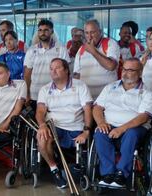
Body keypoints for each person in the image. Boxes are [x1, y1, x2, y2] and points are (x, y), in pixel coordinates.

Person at [93, 58, 152, 188]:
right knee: (99, 133)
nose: (125, 73)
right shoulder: (110, 87)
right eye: (124, 69)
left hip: (135, 127)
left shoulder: (147, 92)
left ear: (140, 72)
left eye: (131, 70)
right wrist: (101, 122)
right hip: (110, 125)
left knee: (132, 134)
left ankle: (121, 173)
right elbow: (97, 107)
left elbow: (143, 117)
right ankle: (108, 173)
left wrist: (121, 129)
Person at [36, 58, 93, 189]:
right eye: (51, 68)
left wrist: (86, 131)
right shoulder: (45, 89)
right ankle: (54, 169)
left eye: (57, 68)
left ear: (67, 70)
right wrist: (42, 125)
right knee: (42, 138)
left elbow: (87, 110)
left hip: (76, 127)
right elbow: (40, 111)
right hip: (54, 125)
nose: (53, 71)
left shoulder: (80, 86)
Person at [24, 19, 70, 110]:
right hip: (35, 95)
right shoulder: (31, 50)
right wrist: (27, 94)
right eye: (40, 30)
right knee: (37, 122)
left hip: (56, 94)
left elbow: (66, 73)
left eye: (46, 30)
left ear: (52, 31)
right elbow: (27, 74)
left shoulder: (61, 49)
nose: (42, 33)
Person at [73, 19, 120, 99]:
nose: (89, 36)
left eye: (92, 32)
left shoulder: (110, 43)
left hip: (107, 98)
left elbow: (111, 66)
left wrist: (93, 51)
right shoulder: (82, 49)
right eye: (87, 33)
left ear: (100, 32)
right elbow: (76, 75)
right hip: (87, 98)